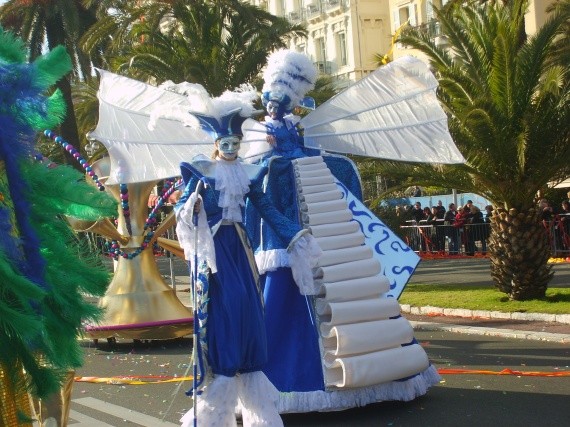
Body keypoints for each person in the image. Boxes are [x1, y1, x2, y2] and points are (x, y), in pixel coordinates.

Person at [243, 49, 439, 414]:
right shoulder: (258, 134)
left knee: (344, 286)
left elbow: (308, 154)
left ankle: (370, 372)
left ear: (293, 99)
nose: (275, 107)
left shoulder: (299, 130)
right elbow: (252, 173)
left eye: (282, 100)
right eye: (271, 100)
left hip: (318, 216)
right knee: (286, 286)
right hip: (283, 224)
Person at [174, 87, 319, 427]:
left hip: (240, 249)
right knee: (229, 310)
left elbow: (265, 207)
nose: (230, 150)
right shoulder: (200, 172)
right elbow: (183, 208)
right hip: (215, 253)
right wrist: (191, 205)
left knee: (251, 313)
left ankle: (259, 410)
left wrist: (293, 234)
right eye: (224, 144)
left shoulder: (249, 173)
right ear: (215, 144)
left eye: (235, 144)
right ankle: (214, 409)